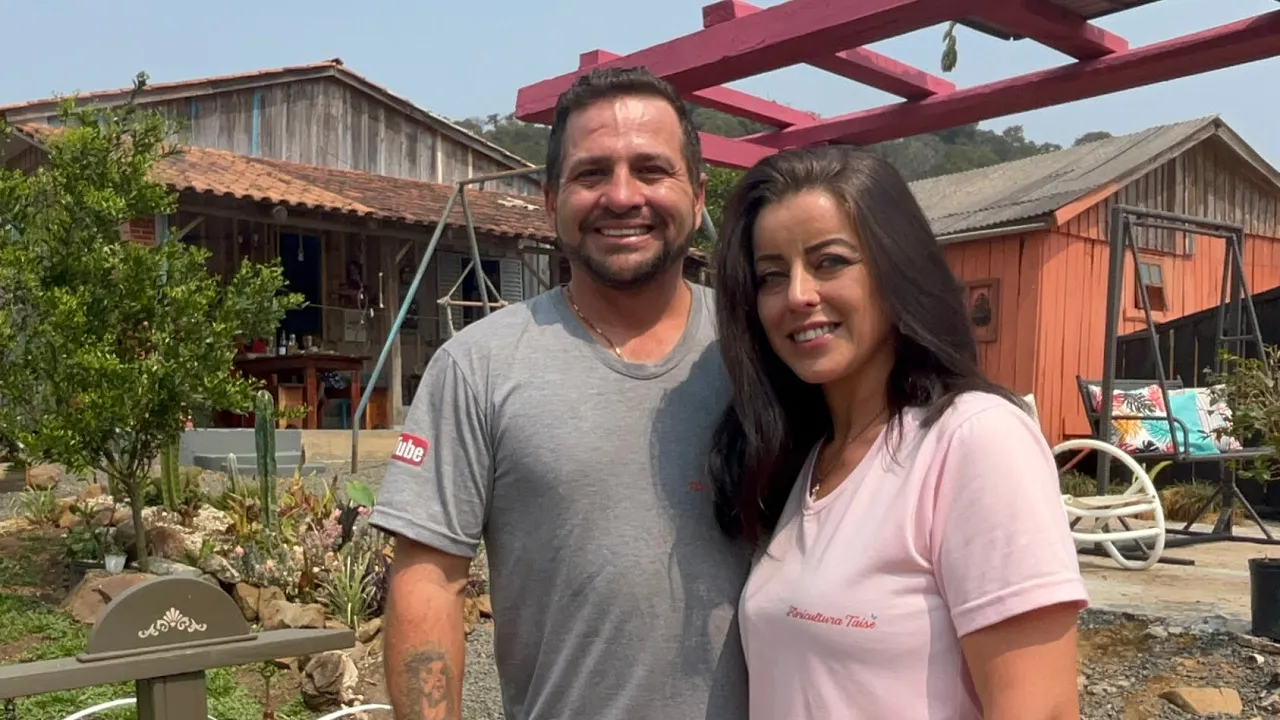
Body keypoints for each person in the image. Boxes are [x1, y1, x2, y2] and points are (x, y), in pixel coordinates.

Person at [370, 66, 751, 720]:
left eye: (652, 170)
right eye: (591, 173)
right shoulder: (477, 368)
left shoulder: (758, 353)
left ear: (697, 195)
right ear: (550, 200)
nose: (622, 196)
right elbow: (427, 580)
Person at [707, 145, 1089, 720]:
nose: (798, 295)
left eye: (829, 261)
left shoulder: (974, 440)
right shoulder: (809, 461)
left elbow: (1044, 709)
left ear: (896, 269)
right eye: (772, 276)